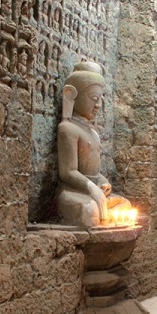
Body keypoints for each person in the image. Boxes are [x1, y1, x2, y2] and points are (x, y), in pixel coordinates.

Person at [55, 61, 131, 227]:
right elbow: (68, 173)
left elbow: (94, 171)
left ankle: (106, 215)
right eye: (94, 99)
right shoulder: (67, 129)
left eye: (100, 100)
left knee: (125, 205)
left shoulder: (94, 133)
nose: (98, 105)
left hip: (94, 191)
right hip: (73, 192)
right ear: (71, 95)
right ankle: (105, 215)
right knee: (90, 211)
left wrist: (103, 183)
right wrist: (91, 188)